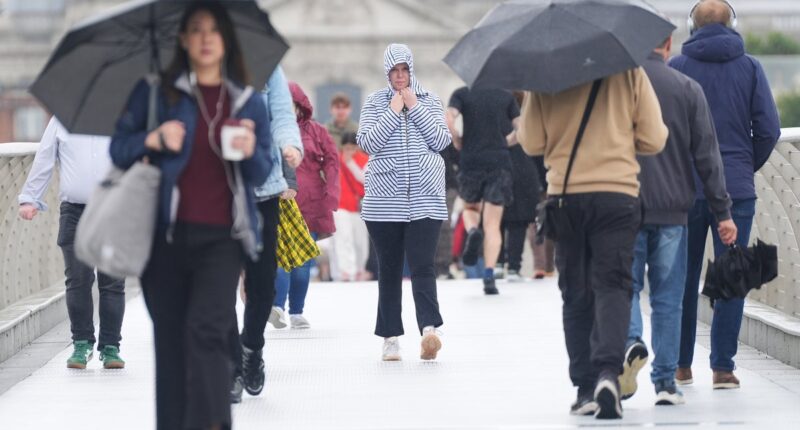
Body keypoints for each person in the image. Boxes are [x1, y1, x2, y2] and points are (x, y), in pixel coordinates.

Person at [109, 3, 273, 429]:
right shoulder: (156, 94)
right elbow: (119, 149)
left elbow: (261, 173)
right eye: (196, 30)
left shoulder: (247, 102)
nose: (205, 38)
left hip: (222, 241)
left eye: (214, 30)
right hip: (163, 240)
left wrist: (251, 149)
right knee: (171, 346)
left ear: (226, 41)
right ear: (183, 39)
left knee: (206, 334)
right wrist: (154, 136)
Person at [519, 69, 668, 418]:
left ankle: (585, 387)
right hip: (617, 194)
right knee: (614, 286)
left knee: (575, 291)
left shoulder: (546, 72)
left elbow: (530, 142)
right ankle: (608, 376)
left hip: (566, 198)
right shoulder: (629, 71)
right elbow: (655, 138)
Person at [619, 33, 735, 407]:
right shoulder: (687, 88)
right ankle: (666, 382)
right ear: (668, 45)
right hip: (673, 209)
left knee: (627, 286)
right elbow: (707, 155)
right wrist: (722, 211)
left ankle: (632, 341)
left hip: (626, 206)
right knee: (669, 297)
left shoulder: (619, 88)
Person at [671, 0, 781, 389]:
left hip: (684, 188)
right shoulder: (751, 67)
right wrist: (740, 170)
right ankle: (722, 368)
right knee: (732, 275)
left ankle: (680, 365)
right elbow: (768, 129)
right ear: (732, 24)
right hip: (735, 190)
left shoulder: (677, 68)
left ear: (692, 27)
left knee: (680, 277)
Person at [357, 43, 451, 361]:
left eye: (404, 70)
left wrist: (415, 107)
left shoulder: (430, 100)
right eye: (394, 71)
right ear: (387, 73)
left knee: (424, 265)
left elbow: (441, 141)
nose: (399, 76)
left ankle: (429, 331)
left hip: (426, 198)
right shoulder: (374, 102)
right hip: (384, 201)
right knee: (390, 270)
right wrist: (394, 111)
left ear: (412, 70)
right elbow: (368, 143)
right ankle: (390, 338)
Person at [18, 116, 126, 370]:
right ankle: (81, 343)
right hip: (74, 212)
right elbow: (45, 158)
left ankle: (111, 347)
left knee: (112, 281)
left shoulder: (122, 116)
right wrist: (30, 198)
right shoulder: (61, 119)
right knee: (77, 280)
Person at [229, 63, 303, 402]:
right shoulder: (197, 64)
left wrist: (291, 146)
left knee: (263, 282)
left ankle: (252, 347)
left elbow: (283, 113)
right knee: (218, 282)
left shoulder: (264, 62)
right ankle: (231, 364)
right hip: (217, 191)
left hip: (262, 187)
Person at [271, 81, 340, 329]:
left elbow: (332, 161)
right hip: (278, 201)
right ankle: (277, 306)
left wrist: (332, 193)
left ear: (299, 105)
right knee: (280, 258)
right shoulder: (269, 130)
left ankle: (297, 310)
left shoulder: (317, 131)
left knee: (302, 263)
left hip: (309, 205)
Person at [446, 86, 519, 295]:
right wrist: (508, 142)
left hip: (471, 160)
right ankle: (489, 276)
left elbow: (449, 117)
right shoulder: (506, 95)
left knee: (470, 207)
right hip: (499, 162)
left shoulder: (461, 93)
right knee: (493, 224)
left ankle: (472, 231)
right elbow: (521, 127)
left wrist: (457, 139)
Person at [500, 91, 540, 282]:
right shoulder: (528, 119)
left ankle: (498, 263)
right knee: (518, 223)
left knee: (496, 220)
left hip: (500, 169)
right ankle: (515, 266)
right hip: (526, 172)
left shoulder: (498, 117)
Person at [333, 131, 370, 282]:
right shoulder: (335, 159)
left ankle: (360, 268)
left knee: (361, 242)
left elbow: (365, 180)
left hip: (358, 206)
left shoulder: (364, 159)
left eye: (352, 148)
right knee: (344, 237)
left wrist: (350, 163)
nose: (349, 151)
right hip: (340, 205)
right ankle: (346, 271)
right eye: (346, 148)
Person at [530, 155, 555, 279]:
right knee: (549, 224)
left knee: (534, 224)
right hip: (551, 182)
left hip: (533, 182)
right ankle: (548, 268)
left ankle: (540, 266)